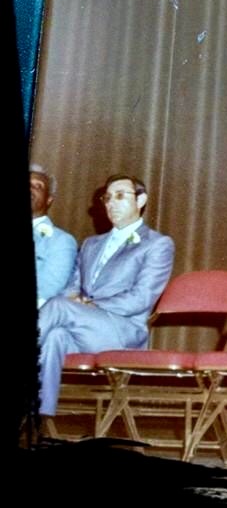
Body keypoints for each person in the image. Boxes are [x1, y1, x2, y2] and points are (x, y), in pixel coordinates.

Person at [38, 174, 175, 421]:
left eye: (121, 196)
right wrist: (74, 299)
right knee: (56, 336)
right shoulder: (91, 243)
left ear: (141, 200)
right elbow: (72, 287)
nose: (111, 203)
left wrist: (90, 304)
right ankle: (39, 417)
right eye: (108, 197)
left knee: (59, 307)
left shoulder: (158, 244)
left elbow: (141, 298)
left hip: (123, 331)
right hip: (85, 331)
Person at [30, 164, 77, 309]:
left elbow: (47, 293)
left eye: (38, 186)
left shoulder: (61, 241)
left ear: (49, 199)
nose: (30, 189)